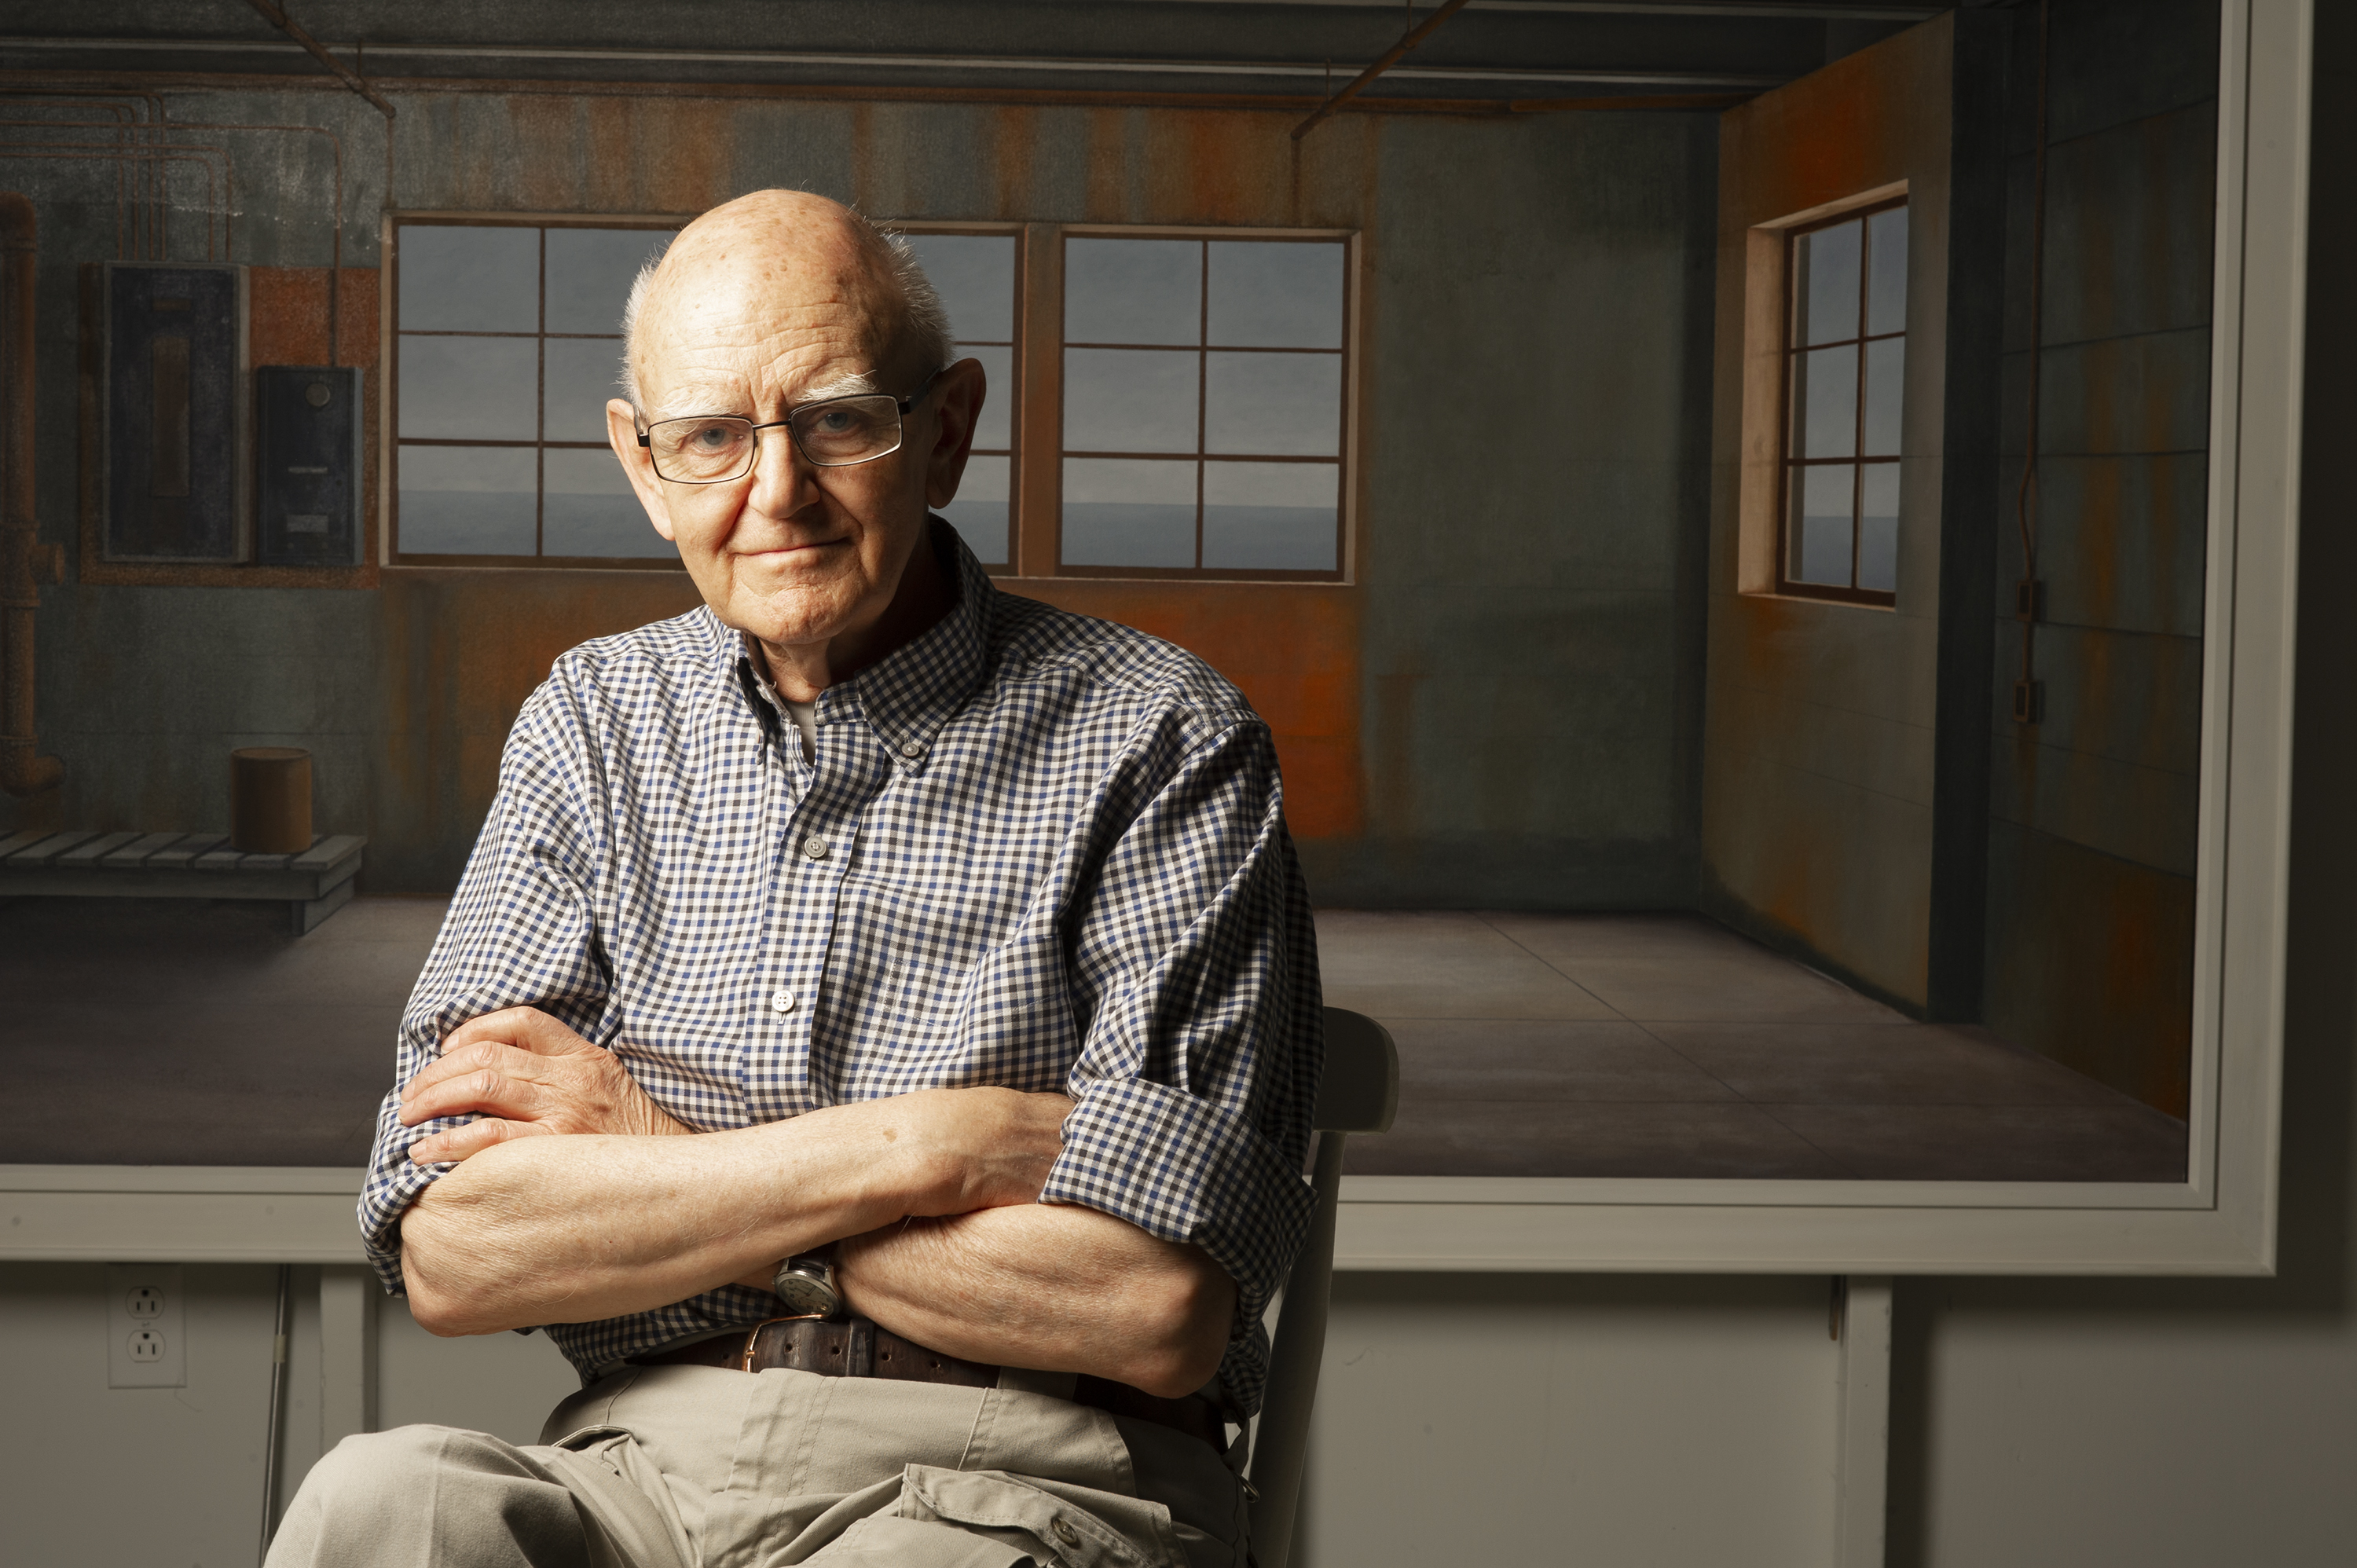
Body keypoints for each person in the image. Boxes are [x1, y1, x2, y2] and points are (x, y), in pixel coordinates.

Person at [264, 189, 1324, 1568]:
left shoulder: (1161, 735)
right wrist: (920, 1148)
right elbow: (456, 1249)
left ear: (943, 430)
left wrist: (655, 1161)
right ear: (643, 467)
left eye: (836, 420)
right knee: (381, 1503)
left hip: (1032, 1477)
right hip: (642, 1459)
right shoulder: (594, 724)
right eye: (708, 436)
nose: (776, 493)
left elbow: (1155, 1308)